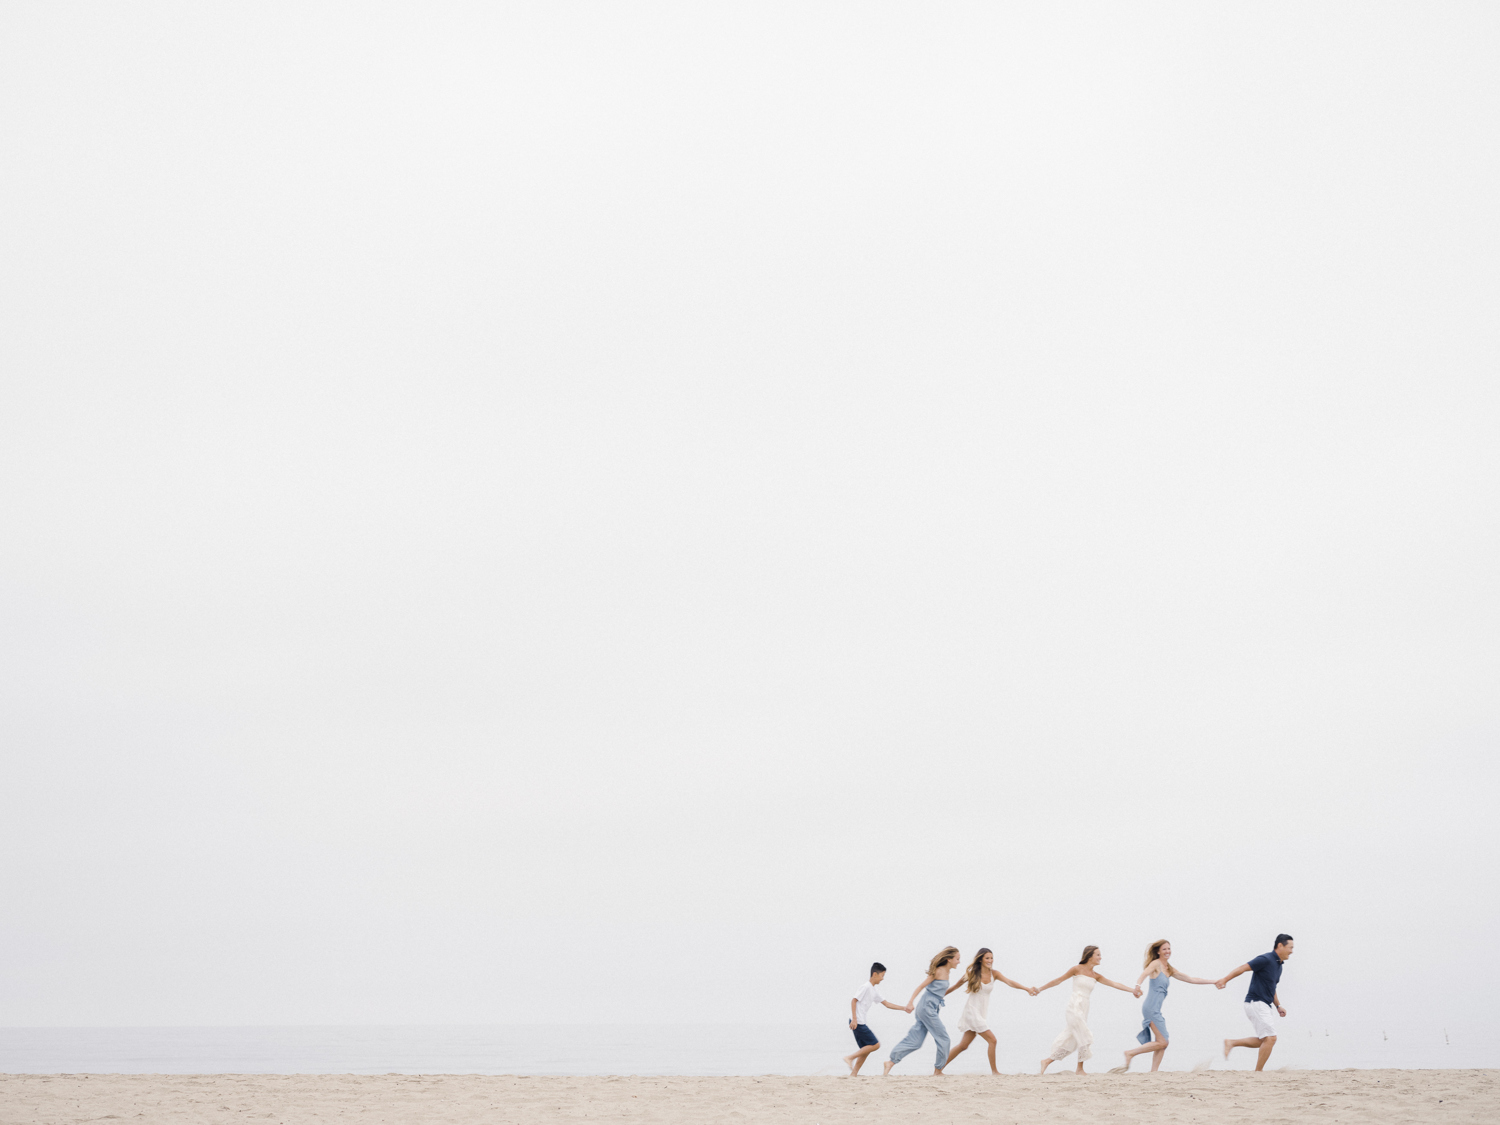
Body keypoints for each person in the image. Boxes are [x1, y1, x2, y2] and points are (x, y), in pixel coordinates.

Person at [1112, 939, 1215, 1073]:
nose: (1167, 951)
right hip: (1150, 1008)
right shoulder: (1156, 964)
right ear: (1158, 951)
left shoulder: (1170, 969)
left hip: (1156, 1009)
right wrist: (1137, 985)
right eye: (1164, 949)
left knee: (1162, 1042)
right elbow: (1144, 973)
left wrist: (1214, 981)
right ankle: (1130, 1053)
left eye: (1169, 948)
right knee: (1163, 1042)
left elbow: (1191, 979)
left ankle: (1153, 1072)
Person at [1035, 945, 1141, 1074]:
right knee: (1084, 1035)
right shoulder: (1076, 969)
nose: (1100, 957)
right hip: (1074, 1006)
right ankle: (1080, 1069)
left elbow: (1114, 984)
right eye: (1098, 954)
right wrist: (1040, 989)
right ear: (1089, 956)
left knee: (1072, 1039)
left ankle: (1046, 1061)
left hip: (1084, 1007)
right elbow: (1058, 980)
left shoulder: (1096, 975)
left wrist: (1133, 990)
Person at [936, 947, 1038, 1075]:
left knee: (963, 1046)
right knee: (992, 1040)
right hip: (972, 1011)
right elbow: (955, 986)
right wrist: (938, 996)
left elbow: (1010, 982)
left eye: (991, 958)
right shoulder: (972, 973)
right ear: (980, 960)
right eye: (987, 958)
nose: (990, 960)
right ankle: (995, 1072)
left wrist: (1027, 989)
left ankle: (938, 1070)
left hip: (981, 1012)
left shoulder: (994, 974)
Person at [1216, 934, 1294, 1071]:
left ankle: (1232, 1042)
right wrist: (1225, 979)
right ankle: (1258, 1072)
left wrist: (1278, 1006)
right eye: (1290, 947)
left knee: (1265, 1040)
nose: (1292, 951)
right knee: (1270, 1038)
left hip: (1264, 1004)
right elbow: (1243, 968)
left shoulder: (1279, 966)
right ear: (1280, 945)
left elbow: (1272, 987)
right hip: (1256, 1002)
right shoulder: (1265, 959)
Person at [883, 946, 960, 1075]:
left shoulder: (947, 972)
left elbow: (941, 993)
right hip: (926, 1007)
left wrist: (959, 984)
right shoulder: (938, 971)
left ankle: (890, 1062)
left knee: (916, 1041)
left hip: (930, 1007)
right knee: (944, 1038)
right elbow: (921, 986)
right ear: (949, 959)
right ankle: (938, 1070)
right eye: (957, 959)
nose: (959, 962)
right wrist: (910, 1002)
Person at [843, 962, 912, 1075]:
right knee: (875, 1045)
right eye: (882, 975)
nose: (883, 979)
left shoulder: (874, 990)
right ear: (875, 974)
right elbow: (854, 1000)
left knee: (866, 1049)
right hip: (858, 1021)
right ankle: (850, 1058)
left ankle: (853, 1074)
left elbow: (887, 1004)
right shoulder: (865, 987)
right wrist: (854, 1019)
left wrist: (904, 1008)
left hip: (860, 1021)